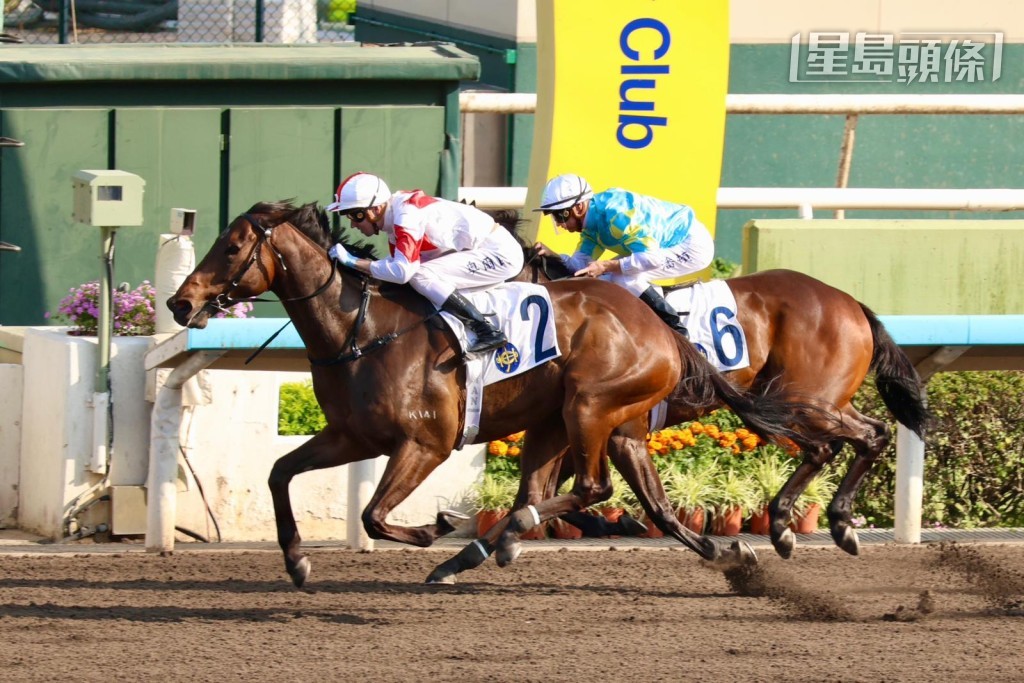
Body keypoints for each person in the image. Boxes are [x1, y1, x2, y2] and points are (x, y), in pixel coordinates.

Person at [326, 172, 524, 354]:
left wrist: (352, 262)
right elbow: (395, 268)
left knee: (420, 275)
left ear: (375, 209)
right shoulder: (395, 217)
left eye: (355, 215)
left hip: (500, 254)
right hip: (480, 250)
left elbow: (402, 272)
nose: (352, 224)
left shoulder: (406, 216)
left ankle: (486, 330)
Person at [532, 173, 714, 338]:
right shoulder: (591, 225)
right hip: (660, 247)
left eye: (560, 216)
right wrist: (551, 255)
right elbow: (580, 267)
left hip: (690, 245)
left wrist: (606, 265)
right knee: (606, 278)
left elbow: (653, 259)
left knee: (620, 277)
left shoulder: (616, 217)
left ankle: (676, 329)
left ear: (579, 208)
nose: (559, 224)